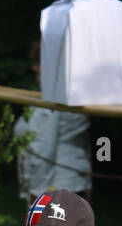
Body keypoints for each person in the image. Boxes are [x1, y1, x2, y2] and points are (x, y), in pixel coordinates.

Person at [14, 41, 92, 203]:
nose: (34, 68)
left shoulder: (52, 101)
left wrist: (37, 192)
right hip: (74, 181)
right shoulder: (72, 95)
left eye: (39, 63)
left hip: (54, 187)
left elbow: (44, 147)